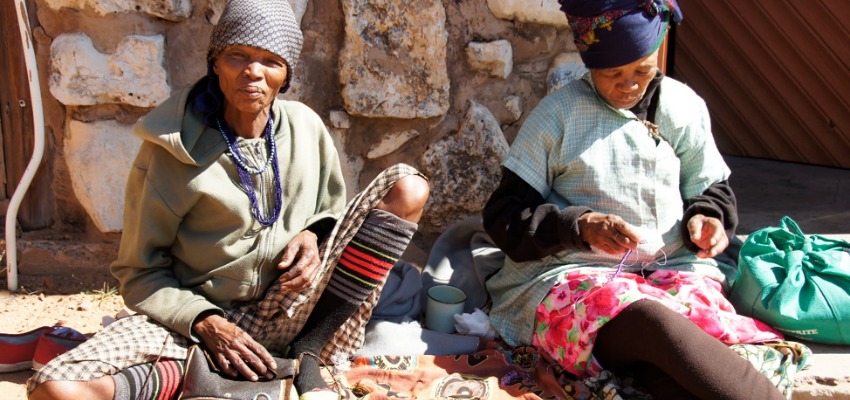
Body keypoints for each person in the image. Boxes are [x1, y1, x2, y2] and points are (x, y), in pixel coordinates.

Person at [27, 1, 429, 399]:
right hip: (203, 321)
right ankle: (193, 373)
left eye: (271, 61)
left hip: (296, 310)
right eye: (238, 56)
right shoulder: (172, 150)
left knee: (408, 187)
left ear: (286, 74)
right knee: (56, 388)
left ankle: (310, 352)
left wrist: (313, 235)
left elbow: (330, 210)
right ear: (215, 62)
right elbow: (139, 273)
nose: (253, 71)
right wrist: (206, 323)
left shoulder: (306, 127)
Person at [482, 1, 786, 399]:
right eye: (613, 74)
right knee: (650, 321)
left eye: (642, 70)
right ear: (591, 67)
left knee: (671, 369)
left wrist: (708, 218)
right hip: (574, 280)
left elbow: (711, 188)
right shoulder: (558, 115)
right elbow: (504, 215)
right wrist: (578, 226)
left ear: (659, 52)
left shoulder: (683, 107)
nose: (629, 84)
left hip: (673, 271)